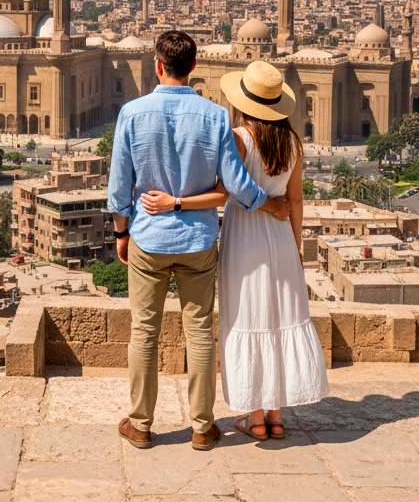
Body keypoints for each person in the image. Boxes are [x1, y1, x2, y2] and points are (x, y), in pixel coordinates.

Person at [109, 32, 291, 452]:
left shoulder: (131, 113)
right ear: (193, 68)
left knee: (144, 332)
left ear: (158, 66)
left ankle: (140, 424)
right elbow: (237, 184)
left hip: (148, 239)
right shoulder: (215, 116)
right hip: (198, 242)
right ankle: (202, 427)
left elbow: (119, 187)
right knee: (200, 332)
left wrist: (121, 232)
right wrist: (272, 206)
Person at [141, 61, 329, 440]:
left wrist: (176, 203)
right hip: (280, 236)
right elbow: (295, 199)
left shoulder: (238, 139)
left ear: (243, 103)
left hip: (245, 234)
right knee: (277, 316)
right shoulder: (293, 143)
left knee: (249, 315)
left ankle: (255, 418)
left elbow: (226, 192)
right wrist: (294, 246)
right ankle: (276, 418)